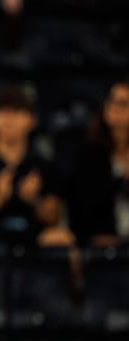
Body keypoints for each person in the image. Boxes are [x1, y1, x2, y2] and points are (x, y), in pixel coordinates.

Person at [0, 85, 73, 247]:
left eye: (16, 111)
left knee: (62, 239)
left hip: (35, 237)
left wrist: (34, 200)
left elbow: (54, 217)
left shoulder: (44, 167)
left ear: (32, 120)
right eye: (2, 111)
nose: (8, 119)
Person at [68, 79, 129, 247]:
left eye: (124, 103)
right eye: (111, 100)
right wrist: (122, 176)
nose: (115, 107)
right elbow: (87, 206)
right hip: (100, 240)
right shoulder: (88, 153)